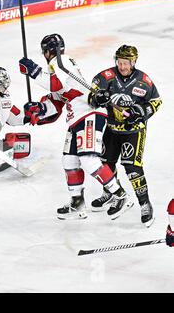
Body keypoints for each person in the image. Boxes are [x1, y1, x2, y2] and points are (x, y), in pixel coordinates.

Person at [18, 33, 133, 220]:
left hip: (89, 114)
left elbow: (54, 84)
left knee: (88, 159)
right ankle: (77, 203)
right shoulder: (55, 70)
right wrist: (37, 110)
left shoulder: (61, 61)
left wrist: (33, 70)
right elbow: (55, 106)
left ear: (48, 52)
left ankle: (120, 195)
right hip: (76, 119)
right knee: (69, 161)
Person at [89, 45, 162, 227]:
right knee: (105, 164)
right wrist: (98, 98)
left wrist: (141, 111)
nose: (122, 67)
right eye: (119, 62)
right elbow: (91, 97)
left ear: (134, 62)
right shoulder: (106, 77)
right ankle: (112, 193)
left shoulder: (143, 80)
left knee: (132, 168)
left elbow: (156, 101)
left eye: (126, 63)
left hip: (134, 131)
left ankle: (145, 204)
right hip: (112, 129)